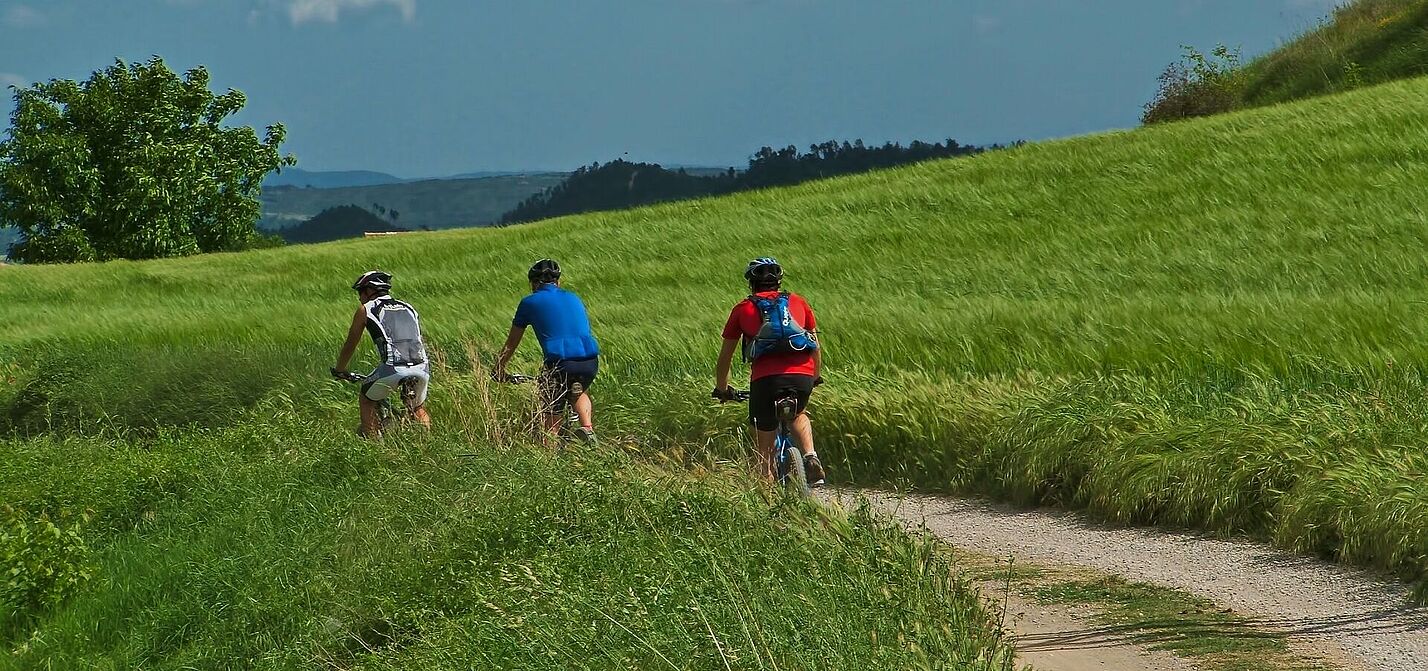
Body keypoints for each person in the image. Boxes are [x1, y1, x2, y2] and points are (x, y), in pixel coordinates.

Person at [713, 257, 826, 485]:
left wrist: (723, 389)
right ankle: (810, 455)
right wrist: (813, 378)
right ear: (778, 281)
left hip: (766, 381)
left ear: (751, 283)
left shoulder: (743, 309)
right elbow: (815, 346)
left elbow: (725, 357)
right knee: (799, 412)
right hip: (802, 375)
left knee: (764, 455)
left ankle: (767, 506)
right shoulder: (798, 302)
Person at [493, 259, 601, 443]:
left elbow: (512, 342)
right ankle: (588, 429)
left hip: (560, 362)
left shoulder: (529, 302)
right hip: (590, 361)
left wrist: (499, 366)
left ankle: (548, 454)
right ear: (558, 282)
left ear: (533, 283)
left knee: (552, 408)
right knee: (577, 392)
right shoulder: (573, 297)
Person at [331, 270, 432, 437]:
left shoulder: (366, 309)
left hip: (394, 368)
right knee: (416, 407)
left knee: (366, 398)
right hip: (422, 366)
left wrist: (340, 369)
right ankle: (427, 442)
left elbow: (350, 344)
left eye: (360, 292)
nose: (359, 297)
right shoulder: (408, 307)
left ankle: (374, 447)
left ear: (369, 290)